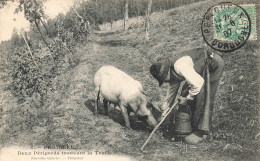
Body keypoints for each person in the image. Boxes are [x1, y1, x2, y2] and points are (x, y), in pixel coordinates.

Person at [149, 47, 224, 144]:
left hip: (213, 65)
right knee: (186, 91)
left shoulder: (180, 67)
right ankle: (191, 126)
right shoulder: (172, 73)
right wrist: (163, 115)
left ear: (166, 73)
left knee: (203, 97)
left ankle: (200, 133)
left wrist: (188, 98)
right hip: (200, 70)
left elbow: (198, 83)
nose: (166, 81)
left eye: (164, 79)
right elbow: (171, 95)